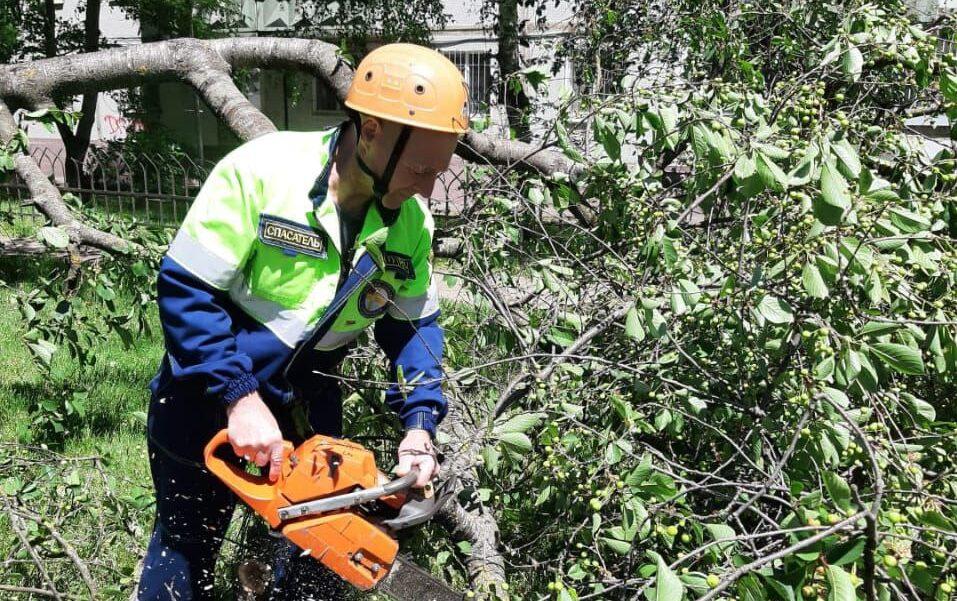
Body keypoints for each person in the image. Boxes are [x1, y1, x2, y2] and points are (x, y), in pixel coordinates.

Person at [137, 43, 469, 600]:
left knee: (321, 563)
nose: (426, 187)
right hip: (205, 400)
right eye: (418, 168)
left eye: (437, 172)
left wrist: (419, 426)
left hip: (308, 409)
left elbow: (415, 333)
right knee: (185, 549)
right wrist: (238, 397)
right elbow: (186, 291)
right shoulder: (264, 172)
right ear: (369, 131)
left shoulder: (411, 223)